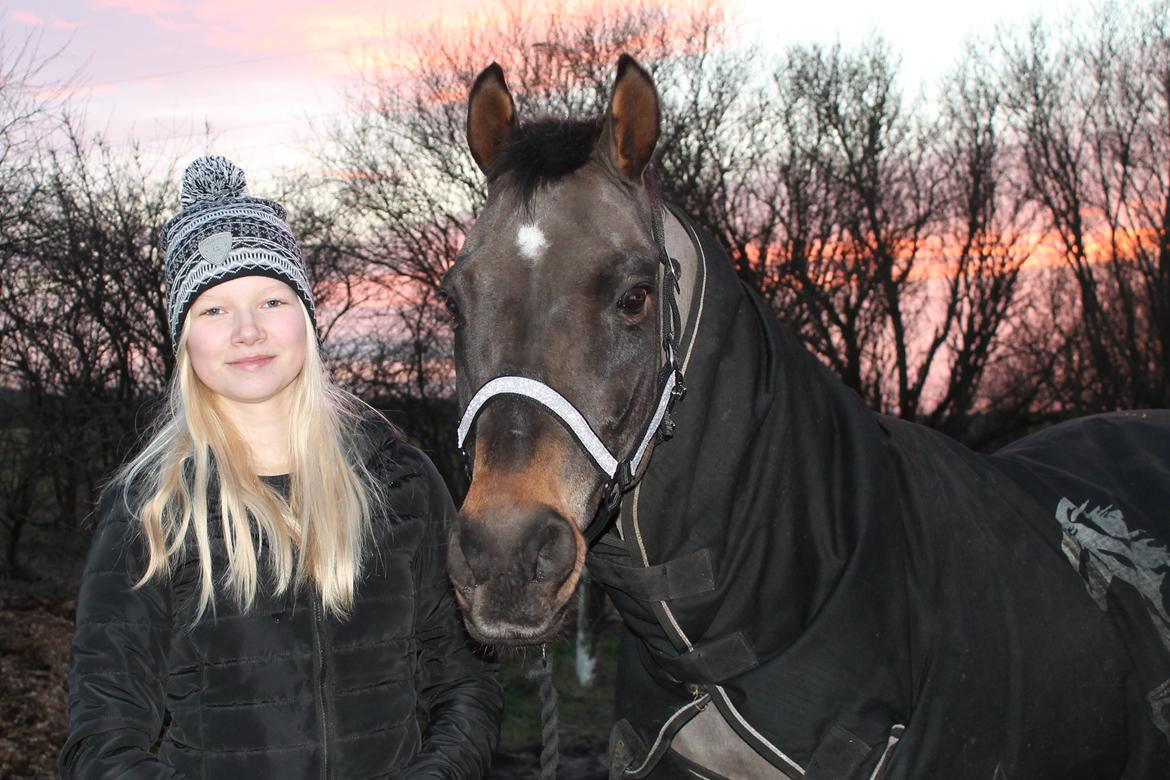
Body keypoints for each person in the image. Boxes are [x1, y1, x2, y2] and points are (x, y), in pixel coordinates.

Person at [59, 155, 502, 778]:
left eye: (271, 299)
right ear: (184, 339)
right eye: (213, 309)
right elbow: (102, 741)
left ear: (306, 318)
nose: (247, 331)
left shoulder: (399, 481)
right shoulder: (150, 509)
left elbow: (465, 686)